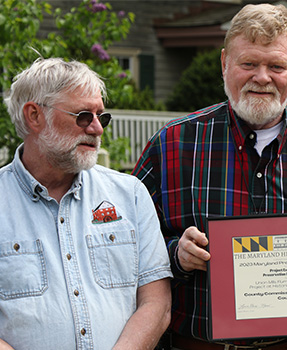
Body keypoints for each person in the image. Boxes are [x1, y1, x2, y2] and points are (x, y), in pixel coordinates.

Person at [133, 3, 287, 350]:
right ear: (225, 63)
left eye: (276, 66)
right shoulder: (173, 144)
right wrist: (176, 254)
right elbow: (126, 247)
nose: (262, 77)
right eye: (248, 63)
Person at [0, 57, 173, 349]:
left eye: (101, 117)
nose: (97, 129)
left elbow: (156, 303)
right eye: (83, 116)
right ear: (34, 116)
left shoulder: (129, 194)